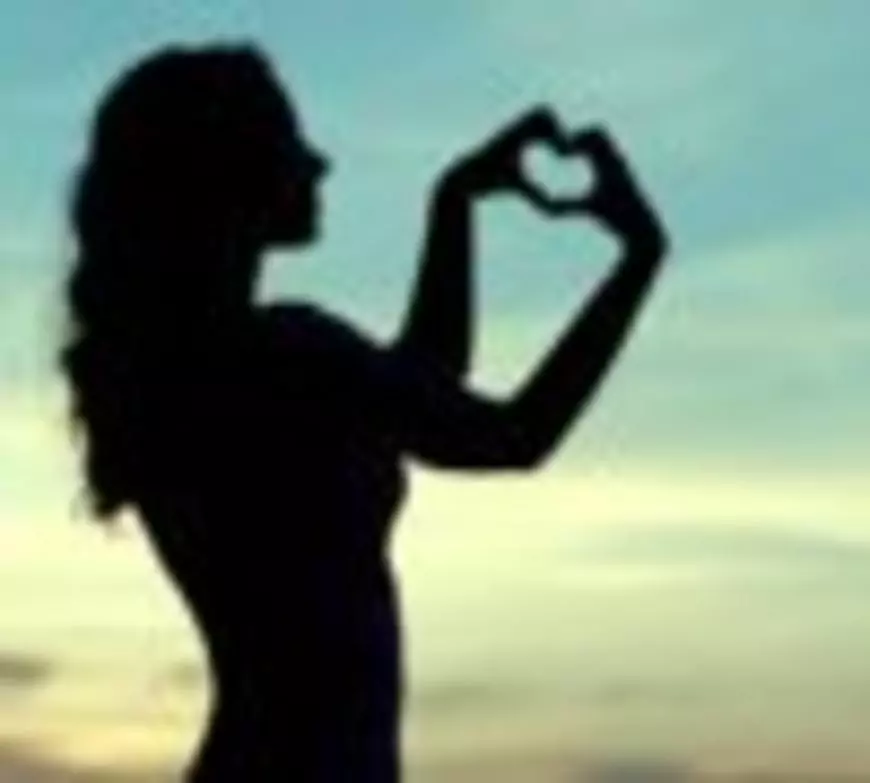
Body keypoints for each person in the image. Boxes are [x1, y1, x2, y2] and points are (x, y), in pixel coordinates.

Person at [58, 43, 668, 781]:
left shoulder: (201, 368)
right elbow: (514, 435)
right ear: (227, 173)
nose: (320, 164)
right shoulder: (289, 352)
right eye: (291, 143)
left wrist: (455, 203)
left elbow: (418, 382)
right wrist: (638, 256)